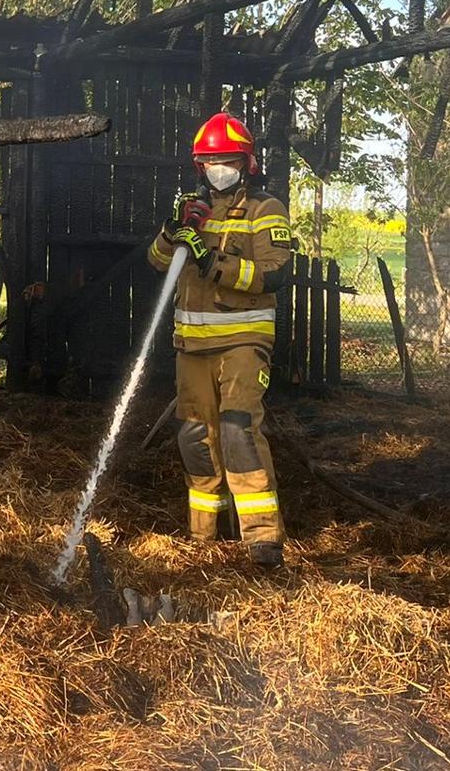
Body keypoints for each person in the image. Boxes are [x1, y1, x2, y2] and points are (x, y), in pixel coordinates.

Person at [146, 113, 295, 569]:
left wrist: (217, 264)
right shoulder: (195, 208)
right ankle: (202, 535)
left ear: (246, 163)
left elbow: (277, 273)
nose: (218, 169)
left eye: (226, 160)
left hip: (242, 342)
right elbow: (157, 262)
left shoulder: (265, 210)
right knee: (194, 437)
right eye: (210, 162)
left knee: (237, 431)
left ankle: (263, 540)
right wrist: (174, 231)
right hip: (192, 345)